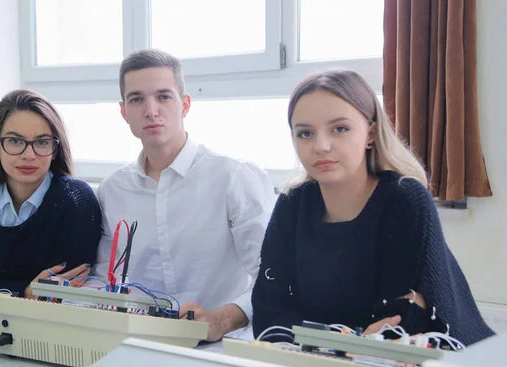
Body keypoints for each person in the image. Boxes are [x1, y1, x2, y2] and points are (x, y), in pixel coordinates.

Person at [251, 69, 494, 346]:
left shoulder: (404, 199)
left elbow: (399, 327)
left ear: (371, 134)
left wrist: (329, 339)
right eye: (305, 133)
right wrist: (349, 340)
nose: (321, 146)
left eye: (340, 129)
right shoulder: (291, 205)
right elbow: (268, 315)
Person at [94, 49, 276, 341]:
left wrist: (221, 320)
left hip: (223, 346)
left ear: (185, 105)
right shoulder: (112, 190)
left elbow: (272, 275)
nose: (151, 110)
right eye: (137, 99)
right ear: (123, 111)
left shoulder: (233, 177)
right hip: (140, 343)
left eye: (163, 96)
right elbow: (104, 276)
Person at [0, 89, 102, 298]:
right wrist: (26, 291)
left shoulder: (76, 199)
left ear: (55, 149)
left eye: (41, 142)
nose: (29, 155)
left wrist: (3, 288)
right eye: (15, 141)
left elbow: (66, 287)